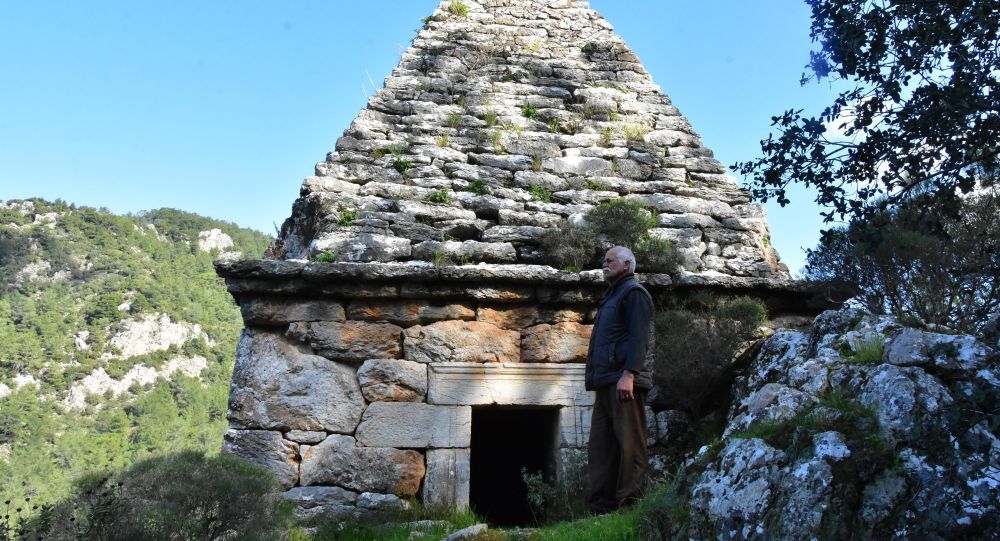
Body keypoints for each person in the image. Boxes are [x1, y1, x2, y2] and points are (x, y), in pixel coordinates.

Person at [585, 245, 654, 514]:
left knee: (630, 445)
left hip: (624, 381)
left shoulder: (634, 294)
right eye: (604, 260)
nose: (604, 263)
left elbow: (640, 338)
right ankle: (601, 508)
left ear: (627, 265)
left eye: (610, 260)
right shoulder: (611, 296)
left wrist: (629, 374)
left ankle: (630, 505)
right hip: (605, 382)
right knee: (601, 447)